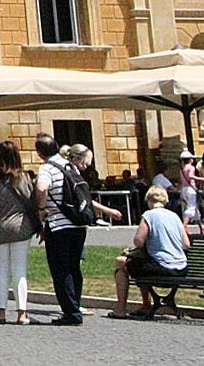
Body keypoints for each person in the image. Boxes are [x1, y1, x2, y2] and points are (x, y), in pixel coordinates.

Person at [36, 137, 119, 326]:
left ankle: (71, 313)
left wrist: (41, 208)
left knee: (61, 269)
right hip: (78, 224)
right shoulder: (69, 166)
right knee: (74, 267)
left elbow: (41, 188)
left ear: (39, 152)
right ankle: (76, 304)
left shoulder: (47, 168)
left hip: (58, 225)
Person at [110, 185, 189, 319]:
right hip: (181, 269)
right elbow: (186, 244)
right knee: (139, 264)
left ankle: (121, 309)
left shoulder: (149, 215)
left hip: (163, 268)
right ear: (165, 200)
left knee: (121, 262)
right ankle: (145, 305)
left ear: (148, 200)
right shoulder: (175, 216)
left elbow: (138, 241)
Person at [0, 140, 39, 324]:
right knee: (19, 269)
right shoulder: (24, 178)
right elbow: (32, 202)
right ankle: (21, 313)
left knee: (0, 270)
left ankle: (1, 312)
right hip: (20, 227)